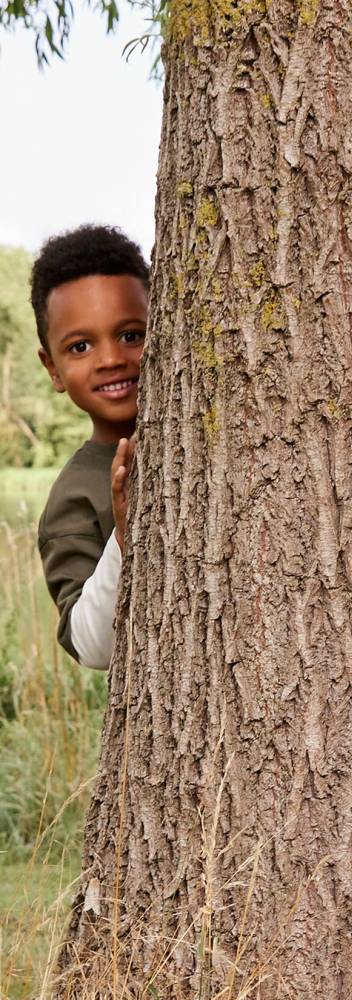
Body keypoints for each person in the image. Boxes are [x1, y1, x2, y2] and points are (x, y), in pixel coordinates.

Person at [32, 225, 148, 669]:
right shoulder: (74, 495)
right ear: (53, 368)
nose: (111, 359)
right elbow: (91, 647)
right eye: (80, 346)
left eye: (131, 335)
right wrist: (123, 534)